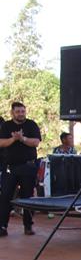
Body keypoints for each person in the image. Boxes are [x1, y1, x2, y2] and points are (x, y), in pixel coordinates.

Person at [0, 102, 41, 237]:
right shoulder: (6, 126)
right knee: (5, 197)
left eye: (23, 111)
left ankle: (28, 226)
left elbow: (35, 142)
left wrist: (22, 138)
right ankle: (3, 226)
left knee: (27, 197)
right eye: (18, 111)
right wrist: (14, 138)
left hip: (28, 166)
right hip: (9, 168)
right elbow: (1, 142)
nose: (21, 114)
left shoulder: (31, 124)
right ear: (12, 112)